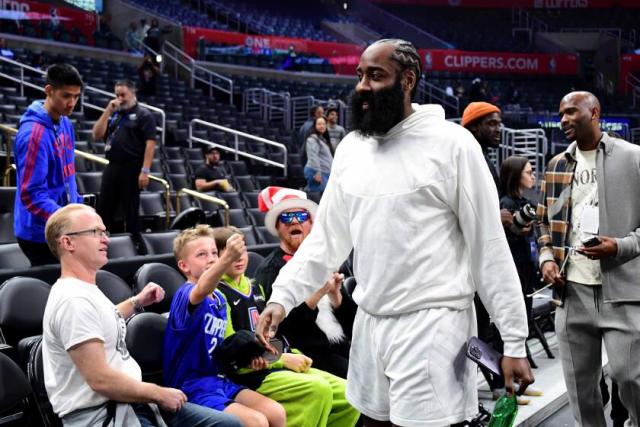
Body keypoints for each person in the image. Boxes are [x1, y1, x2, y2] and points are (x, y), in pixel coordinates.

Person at [256, 38, 533, 427]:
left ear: (408, 80)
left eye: (376, 76)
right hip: (371, 326)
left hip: (433, 325)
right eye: (360, 75)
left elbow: (488, 247)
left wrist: (515, 340)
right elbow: (325, 241)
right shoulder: (351, 148)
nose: (363, 86)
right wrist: (282, 298)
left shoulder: (453, 145)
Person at [42, 204, 242, 426]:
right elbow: (101, 380)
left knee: (231, 424)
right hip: (103, 415)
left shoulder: (85, 291)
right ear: (68, 242)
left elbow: (104, 320)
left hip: (130, 403)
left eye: (104, 232)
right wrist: (157, 393)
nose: (105, 239)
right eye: (94, 232)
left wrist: (137, 302)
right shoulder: (73, 301)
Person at [536, 91, 640, 426]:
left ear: (594, 112)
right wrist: (546, 257)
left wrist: (620, 246)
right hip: (571, 294)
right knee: (582, 393)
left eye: (570, 112)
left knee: (630, 378)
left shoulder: (632, 158)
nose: (564, 119)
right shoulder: (557, 165)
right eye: (560, 113)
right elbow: (543, 220)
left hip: (622, 291)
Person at [213, 226, 360, 426]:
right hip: (249, 371)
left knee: (348, 394)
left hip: (274, 359)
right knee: (318, 390)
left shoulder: (255, 287)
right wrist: (281, 359)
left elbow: (275, 334)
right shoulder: (218, 294)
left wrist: (292, 352)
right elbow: (230, 348)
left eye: (243, 250)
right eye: (231, 252)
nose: (239, 257)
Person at [164, 225, 286, 427]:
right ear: (184, 266)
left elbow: (222, 350)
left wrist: (249, 359)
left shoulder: (220, 298)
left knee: (276, 413)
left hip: (220, 379)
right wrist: (226, 259)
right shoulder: (185, 294)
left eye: (214, 252)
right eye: (202, 254)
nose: (211, 258)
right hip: (191, 387)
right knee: (256, 422)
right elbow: (201, 289)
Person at [253, 186, 356, 379]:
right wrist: (317, 294)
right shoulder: (269, 271)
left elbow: (353, 323)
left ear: (310, 223)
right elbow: (282, 331)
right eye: (286, 217)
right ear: (277, 226)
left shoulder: (327, 260)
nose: (293, 221)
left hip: (343, 347)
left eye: (300, 217)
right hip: (308, 355)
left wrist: (336, 296)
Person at [14, 63, 84, 266]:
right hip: (39, 233)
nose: (72, 103)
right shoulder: (33, 135)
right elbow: (32, 194)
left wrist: (77, 207)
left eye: (76, 96)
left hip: (63, 225)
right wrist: (69, 219)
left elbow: (68, 175)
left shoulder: (65, 123)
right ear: (49, 91)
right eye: (66, 96)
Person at [93, 79, 156, 235]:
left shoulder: (144, 115)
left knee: (130, 209)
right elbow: (96, 134)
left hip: (132, 167)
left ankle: (135, 242)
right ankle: (100, 241)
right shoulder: (115, 114)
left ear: (132, 93)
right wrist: (108, 110)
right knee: (104, 207)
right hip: (113, 165)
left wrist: (145, 171)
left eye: (123, 94)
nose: (119, 98)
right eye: (117, 95)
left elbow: (150, 144)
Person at [304, 116, 334, 193]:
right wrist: (317, 173)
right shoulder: (312, 139)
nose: (322, 126)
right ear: (315, 126)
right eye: (319, 124)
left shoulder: (322, 139)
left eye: (324, 124)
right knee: (316, 199)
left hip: (324, 172)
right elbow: (313, 157)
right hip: (317, 173)